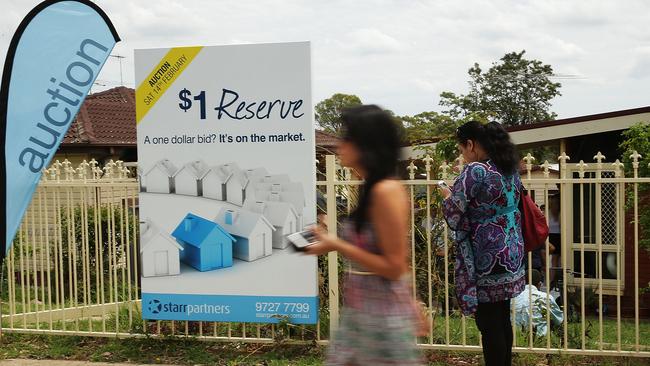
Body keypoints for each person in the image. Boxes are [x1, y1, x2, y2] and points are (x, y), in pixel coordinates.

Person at [304, 105, 423, 365]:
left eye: (347, 138)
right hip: (362, 316)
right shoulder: (372, 188)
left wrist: (337, 244)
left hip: (381, 323)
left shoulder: (385, 192)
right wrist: (330, 243)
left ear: (366, 145)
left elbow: (393, 266)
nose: (339, 146)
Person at [440, 121, 525, 366]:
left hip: (487, 256)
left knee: (488, 324)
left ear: (471, 144)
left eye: (462, 149)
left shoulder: (476, 170)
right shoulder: (508, 167)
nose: (463, 155)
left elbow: (454, 215)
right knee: (501, 319)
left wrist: (447, 196)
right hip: (511, 253)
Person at [513, 269, 563, 337]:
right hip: (539, 339)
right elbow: (559, 320)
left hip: (516, 337)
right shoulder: (546, 297)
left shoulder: (512, 297)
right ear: (540, 284)